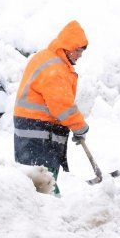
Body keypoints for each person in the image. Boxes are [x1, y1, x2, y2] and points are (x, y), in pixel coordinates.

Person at [13, 20, 89, 195]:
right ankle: (50, 209)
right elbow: (63, 106)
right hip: (38, 132)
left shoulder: (48, 58)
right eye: (78, 50)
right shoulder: (55, 68)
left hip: (33, 128)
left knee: (36, 177)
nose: (80, 55)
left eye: (82, 51)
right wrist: (80, 127)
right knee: (42, 179)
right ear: (67, 46)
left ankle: (48, 207)